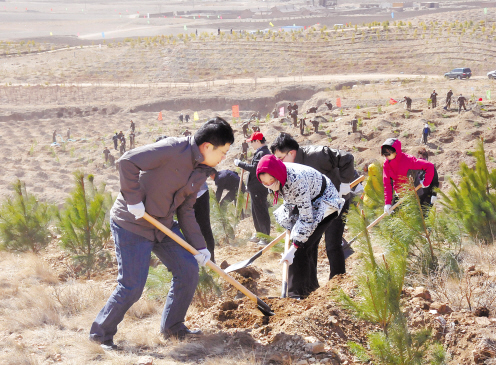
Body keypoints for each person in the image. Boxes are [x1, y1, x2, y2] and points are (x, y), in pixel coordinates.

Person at [89, 117, 234, 350]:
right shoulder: (173, 149)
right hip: (133, 222)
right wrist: (134, 200)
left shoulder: (201, 171)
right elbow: (127, 162)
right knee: (132, 286)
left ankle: (173, 328)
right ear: (208, 146)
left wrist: (200, 247)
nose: (224, 157)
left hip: (163, 225)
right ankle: (100, 336)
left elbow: (186, 210)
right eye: (223, 151)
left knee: (187, 269)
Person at [256, 155, 344, 298]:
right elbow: (293, 202)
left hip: (325, 201)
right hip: (307, 201)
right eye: (264, 182)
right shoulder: (279, 175)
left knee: (302, 246)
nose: (269, 185)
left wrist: (294, 247)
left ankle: (295, 295)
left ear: (277, 175)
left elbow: (307, 219)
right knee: (308, 245)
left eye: (271, 180)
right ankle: (310, 289)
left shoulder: (296, 181)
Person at [270, 133, 355, 280]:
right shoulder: (289, 170)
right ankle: (311, 284)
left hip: (335, 202)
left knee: (332, 244)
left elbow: (347, 158)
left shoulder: (317, 155)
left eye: (280, 158)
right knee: (309, 244)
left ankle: (337, 280)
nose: (279, 163)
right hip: (313, 208)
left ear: (292, 152)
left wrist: (345, 183)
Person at [380, 138, 435, 216]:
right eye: (385, 154)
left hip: (413, 194)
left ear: (396, 151)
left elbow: (429, 166)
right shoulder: (387, 164)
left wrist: (426, 182)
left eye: (389, 153)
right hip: (399, 194)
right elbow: (387, 184)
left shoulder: (409, 160)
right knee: (394, 218)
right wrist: (387, 203)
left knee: (415, 221)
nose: (387, 156)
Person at [234, 132, 271, 245]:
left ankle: (265, 237)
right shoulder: (261, 152)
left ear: (257, 141)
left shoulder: (262, 153)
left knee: (261, 212)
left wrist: (240, 164)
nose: (251, 144)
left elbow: (254, 169)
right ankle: (259, 233)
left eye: (252, 142)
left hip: (259, 188)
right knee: (256, 212)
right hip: (256, 188)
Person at [416, 148, 439, 214]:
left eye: (423, 156)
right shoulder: (414, 167)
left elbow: (435, 182)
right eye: (420, 157)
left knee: (424, 215)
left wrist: (434, 194)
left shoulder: (431, 167)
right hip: (416, 196)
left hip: (427, 195)